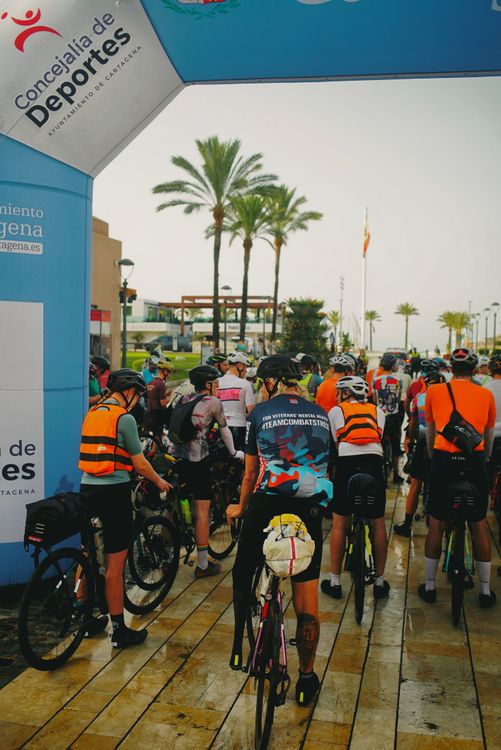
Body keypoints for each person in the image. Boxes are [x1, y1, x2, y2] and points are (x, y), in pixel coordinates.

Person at [227, 355, 333, 707]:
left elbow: (250, 472)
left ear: (270, 381)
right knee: (307, 598)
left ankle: (240, 648)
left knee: (243, 572)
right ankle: (306, 677)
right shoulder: (319, 413)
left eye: (261, 381)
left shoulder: (259, 413)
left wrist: (240, 508)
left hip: (268, 502)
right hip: (309, 507)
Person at [79, 369, 172, 647]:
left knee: (87, 552)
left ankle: (85, 616)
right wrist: (159, 481)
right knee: (114, 565)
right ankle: (119, 629)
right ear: (129, 392)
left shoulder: (93, 412)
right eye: (138, 395)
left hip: (87, 488)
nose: (137, 400)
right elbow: (140, 463)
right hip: (114, 492)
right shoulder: (124, 418)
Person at [418, 348, 496, 608]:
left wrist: (433, 459)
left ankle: (429, 586)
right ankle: (485, 590)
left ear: (451, 369)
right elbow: (487, 437)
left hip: (443, 460)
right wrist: (482, 461)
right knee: (479, 524)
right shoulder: (486, 395)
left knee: (437, 523)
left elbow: (430, 432)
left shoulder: (434, 392)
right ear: (474, 371)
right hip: (474, 461)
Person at [167, 365, 244, 578]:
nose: (218, 386)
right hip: (197, 460)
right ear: (208, 384)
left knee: (178, 501)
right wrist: (235, 452)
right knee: (202, 512)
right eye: (216, 383)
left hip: (176, 457)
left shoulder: (183, 398)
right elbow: (224, 429)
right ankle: (202, 565)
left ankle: (168, 556)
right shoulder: (213, 402)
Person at [322, 375, 389, 600]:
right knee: (378, 523)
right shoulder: (378, 411)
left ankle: (335, 581)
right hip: (374, 464)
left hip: (346, 464)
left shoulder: (336, 411)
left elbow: (336, 441)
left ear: (345, 393)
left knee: (340, 522)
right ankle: (379, 582)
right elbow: (378, 437)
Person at [393, 370, 445, 537]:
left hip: (423, 445)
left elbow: (413, 423)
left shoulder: (419, 398)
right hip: (442, 446)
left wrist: (410, 438)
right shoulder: (449, 400)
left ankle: (407, 524)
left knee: (416, 484)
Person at [372, 353, 404, 483]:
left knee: (379, 443)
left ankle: (379, 472)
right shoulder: (398, 381)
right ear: (392, 366)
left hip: (380, 416)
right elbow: (399, 398)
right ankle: (396, 474)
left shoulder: (376, 381)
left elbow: (374, 399)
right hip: (394, 416)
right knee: (395, 445)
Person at [216, 352, 255, 450]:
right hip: (239, 428)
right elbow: (252, 411)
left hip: (219, 428)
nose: (246, 371)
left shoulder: (217, 382)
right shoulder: (245, 384)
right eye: (245, 367)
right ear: (239, 365)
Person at [146, 359, 174, 433]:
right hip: (158, 414)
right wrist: (170, 396)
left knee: (155, 436)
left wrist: (166, 394)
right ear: (164, 371)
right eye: (169, 372)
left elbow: (154, 396)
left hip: (150, 413)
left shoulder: (151, 382)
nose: (169, 375)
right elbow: (163, 403)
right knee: (158, 437)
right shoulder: (161, 384)